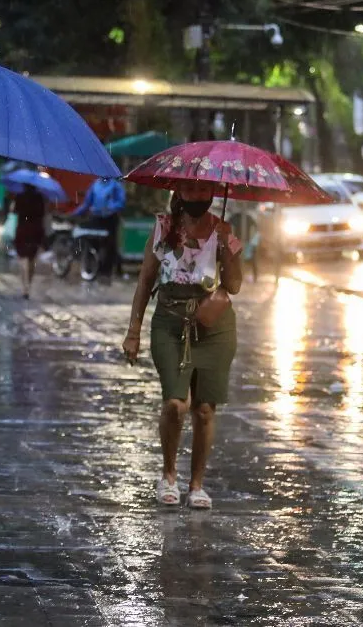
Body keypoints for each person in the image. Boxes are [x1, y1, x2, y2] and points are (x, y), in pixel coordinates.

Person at [121, 181, 242, 510]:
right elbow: (146, 279)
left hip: (213, 327)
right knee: (176, 403)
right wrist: (133, 331)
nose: (198, 197)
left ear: (213, 195)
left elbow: (234, 285)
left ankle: (197, 485)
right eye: (191, 191)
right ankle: (168, 475)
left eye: (205, 192)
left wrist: (228, 249)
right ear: (180, 193)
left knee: (204, 409)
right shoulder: (163, 228)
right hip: (170, 324)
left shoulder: (223, 230)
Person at [72, 177, 126, 281]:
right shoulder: (95, 185)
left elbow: (121, 203)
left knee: (110, 245)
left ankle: (108, 271)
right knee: (92, 243)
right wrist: (75, 213)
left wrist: (110, 207)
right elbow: (87, 203)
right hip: (96, 218)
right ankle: (92, 268)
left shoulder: (115, 185)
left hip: (110, 219)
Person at [10, 183, 46, 299]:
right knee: (32, 258)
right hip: (36, 230)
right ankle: (28, 285)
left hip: (23, 230)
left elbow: (14, 211)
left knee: (22, 258)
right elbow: (43, 214)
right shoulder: (39, 197)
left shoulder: (20, 196)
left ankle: (24, 287)